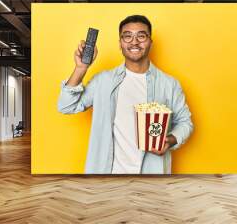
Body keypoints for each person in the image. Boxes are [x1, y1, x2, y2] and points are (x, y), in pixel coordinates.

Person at [58, 15, 193, 174]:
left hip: (151, 176)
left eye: (141, 36)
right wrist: (80, 68)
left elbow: (185, 122)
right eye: (127, 36)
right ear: (120, 43)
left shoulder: (169, 84)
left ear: (150, 42)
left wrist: (170, 141)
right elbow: (66, 106)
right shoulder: (103, 80)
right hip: (107, 177)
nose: (134, 42)